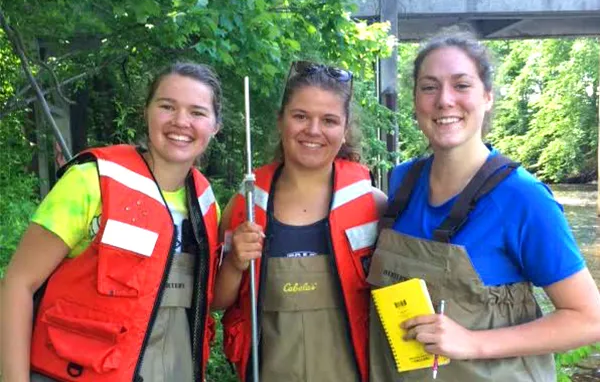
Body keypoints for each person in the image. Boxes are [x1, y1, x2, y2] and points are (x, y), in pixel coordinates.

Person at [367, 29, 600, 382]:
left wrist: (472, 342)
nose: (444, 100)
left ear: (488, 96)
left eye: (461, 85)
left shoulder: (522, 198)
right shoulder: (401, 183)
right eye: (429, 87)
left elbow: (588, 319)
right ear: (415, 100)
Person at [0, 62, 223, 382]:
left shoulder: (205, 205)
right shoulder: (93, 181)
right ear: (146, 112)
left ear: (215, 125)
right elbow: (19, 283)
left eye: (197, 112)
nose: (181, 122)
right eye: (167, 106)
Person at [212, 61, 387, 382]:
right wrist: (236, 262)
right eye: (300, 116)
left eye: (329, 120)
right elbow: (219, 301)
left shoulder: (374, 206)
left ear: (345, 129)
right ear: (281, 121)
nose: (313, 130)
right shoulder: (246, 205)